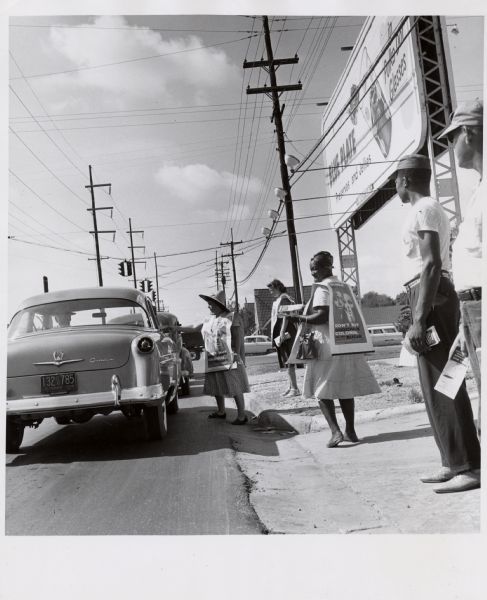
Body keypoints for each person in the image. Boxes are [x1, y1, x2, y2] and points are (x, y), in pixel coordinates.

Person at [394, 153, 480, 493]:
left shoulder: (425, 208)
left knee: (447, 381)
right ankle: (452, 460)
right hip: (425, 295)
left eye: (396, 181)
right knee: (434, 384)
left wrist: (419, 317)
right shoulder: (422, 209)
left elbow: (431, 264)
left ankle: (468, 465)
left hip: (433, 296)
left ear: (404, 180)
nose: (396, 187)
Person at [287, 251, 380, 448]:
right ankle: (351, 431)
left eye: (316, 268)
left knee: (320, 391)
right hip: (346, 342)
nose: (313, 273)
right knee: (345, 389)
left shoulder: (323, 287)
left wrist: (299, 318)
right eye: (311, 269)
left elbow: (321, 316)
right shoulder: (343, 286)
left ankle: (335, 431)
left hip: (327, 343)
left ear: (327, 267)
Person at [439, 99, 483, 439]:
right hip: (472, 308)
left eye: (452, 138)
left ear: (468, 133)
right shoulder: (478, 191)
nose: (451, 146)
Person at [197, 290, 250, 425]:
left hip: (229, 357)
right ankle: (221, 411)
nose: (208, 306)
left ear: (218, 304)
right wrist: (176, 328)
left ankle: (242, 416)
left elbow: (237, 336)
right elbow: (194, 327)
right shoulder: (209, 320)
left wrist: (236, 355)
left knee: (234, 385)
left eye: (210, 304)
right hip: (214, 357)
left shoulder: (232, 316)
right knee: (216, 385)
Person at [267, 279, 300, 397]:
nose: (270, 292)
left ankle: (295, 388)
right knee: (285, 359)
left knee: (289, 359)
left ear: (278, 287)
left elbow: (286, 316)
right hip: (281, 329)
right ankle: (291, 386)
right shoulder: (280, 299)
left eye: (271, 290)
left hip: (286, 330)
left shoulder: (284, 298)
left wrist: (281, 332)